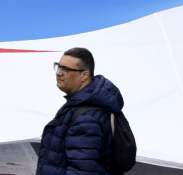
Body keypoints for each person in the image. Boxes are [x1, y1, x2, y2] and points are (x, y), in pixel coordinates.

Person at [35, 47, 125, 175]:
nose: (58, 73)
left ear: (84, 75)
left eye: (65, 69)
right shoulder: (79, 105)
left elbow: (82, 170)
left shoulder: (87, 118)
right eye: (58, 66)